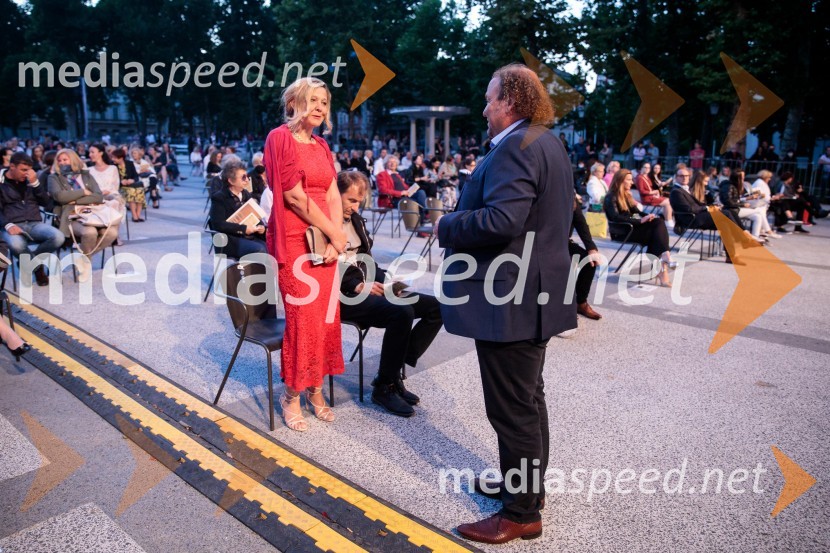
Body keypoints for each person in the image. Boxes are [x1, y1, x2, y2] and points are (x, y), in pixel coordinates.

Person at [436, 64, 576, 544]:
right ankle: (525, 488)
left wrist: (447, 224)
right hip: (535, 294)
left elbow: (501, 220)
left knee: (513, 409)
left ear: (510, 102)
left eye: (490, 98)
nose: (484, 107)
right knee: (529, 400)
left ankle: (521, 513)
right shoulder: (546, 140)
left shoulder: (516, 148)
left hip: (511, 301)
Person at [263, 76, 346, 433]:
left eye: (324, 102)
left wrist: (336, 237)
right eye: (312, 100)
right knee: (303, 319)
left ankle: (315, 389)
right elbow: (294, 197)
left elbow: (332, 194)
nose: (319, 107)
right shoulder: (279, 138)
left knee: (326, 318)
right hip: (294, 241)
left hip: (324, 239)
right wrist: (332, 231)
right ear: (294, 103)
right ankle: (291, 395)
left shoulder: (322, 147)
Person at [336, 171, 442, 417]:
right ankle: (384, 387)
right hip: (341, 295)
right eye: (350, 200)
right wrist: (356, 284)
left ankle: (393, 372)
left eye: (358, 202)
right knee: (402, 312)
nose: (354, 207)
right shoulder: (325, 223)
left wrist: (389, 281)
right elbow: (323, 265)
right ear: (335, 194)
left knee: (436, 308)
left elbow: (367, 263)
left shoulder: (356, 221)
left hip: (368, 287)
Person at [48, 149, 118, 282]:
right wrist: (84, 192)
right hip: (69, 216)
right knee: (89, 232)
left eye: (65, 159)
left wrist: (75, 200)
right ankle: (86, 265)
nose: (62, 163)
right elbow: (60, 197)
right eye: (60, 160)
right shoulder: (54, 177)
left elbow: (98, 196)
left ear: (73, 160)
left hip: (92, 213)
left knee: (112, 233)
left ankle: (83, 260)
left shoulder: (86, 175)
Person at [669, 166, 759, 263]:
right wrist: (708, 208)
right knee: (727, 213)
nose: (684, 178)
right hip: (691, 219)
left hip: (698, 216)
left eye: (686, 176)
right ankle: (744, 237)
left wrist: (711, 205)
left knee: (725, 222)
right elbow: (689, 209)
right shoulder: (676, 191)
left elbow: (697, 205)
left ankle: (732, 256)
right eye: (681, 176)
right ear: (676, 177)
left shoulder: (685, 189)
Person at [0, 152, 64, 286]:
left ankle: (29, 262)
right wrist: (8, 225)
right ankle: (37, 268)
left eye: (29, 170)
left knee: (58, 237)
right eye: (23, 170)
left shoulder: (31, 180)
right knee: (17, 244)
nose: (26, 173)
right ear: (12, 166)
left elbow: (47, 204)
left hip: (34, 223)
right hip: (11, 224)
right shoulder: (1, 182)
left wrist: (36, 184)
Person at [604, 169, 673, 286]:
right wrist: (640, 221)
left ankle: (662, 264)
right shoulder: (611, 196)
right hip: (621, 231)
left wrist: (648, 216)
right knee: (656, 233)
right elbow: (615, 218)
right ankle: (663, 265)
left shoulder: (626, 195)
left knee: (658, 222)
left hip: (631, 228)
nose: (632, 183)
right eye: (629, 180)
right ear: (620, 181)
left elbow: (637, 212)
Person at [209, 160, 267, 258]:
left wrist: (261, 227)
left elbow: (255, 215)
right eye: (243, 178)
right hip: (231, 240)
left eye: (247, 176)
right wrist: (243, 229)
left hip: (250, 237)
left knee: (273, 247)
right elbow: (218, 224)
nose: (247, 180)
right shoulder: (219, 198)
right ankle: (253, 273)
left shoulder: (246, 194)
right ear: (231, 181)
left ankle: (264, 272)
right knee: (259, 250)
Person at [569, 196, 603, 319]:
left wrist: (591, 248)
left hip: (563, 242)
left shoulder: (568, 192)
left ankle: (580, 303)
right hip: (542, 241)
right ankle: (558, 307)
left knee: (589, 261)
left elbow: (580, 222)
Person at [719, 170, 766, 240]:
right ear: (737, 178)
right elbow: (728, 202)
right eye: (742, 177)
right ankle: (767, 231)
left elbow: (736, 199)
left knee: (758, 217)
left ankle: (755, 237)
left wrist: (747, 199)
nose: (744, 178)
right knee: (759, 210)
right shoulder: (729, 186)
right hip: (732, 211)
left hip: (736, 208)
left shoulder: (734, 186)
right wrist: (742, 204)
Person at [116, 149, 146, 222]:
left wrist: (132, 180)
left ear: (121, 158)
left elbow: (136, 176)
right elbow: (112, 179)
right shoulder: (114, 166)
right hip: (122, 187)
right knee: (131, 191)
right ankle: (134, 216)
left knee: (140, 190)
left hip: (132, 184)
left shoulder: (129, 163)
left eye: (115, 158)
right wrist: (121, 181)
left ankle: (138, 215)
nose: (113, 159)